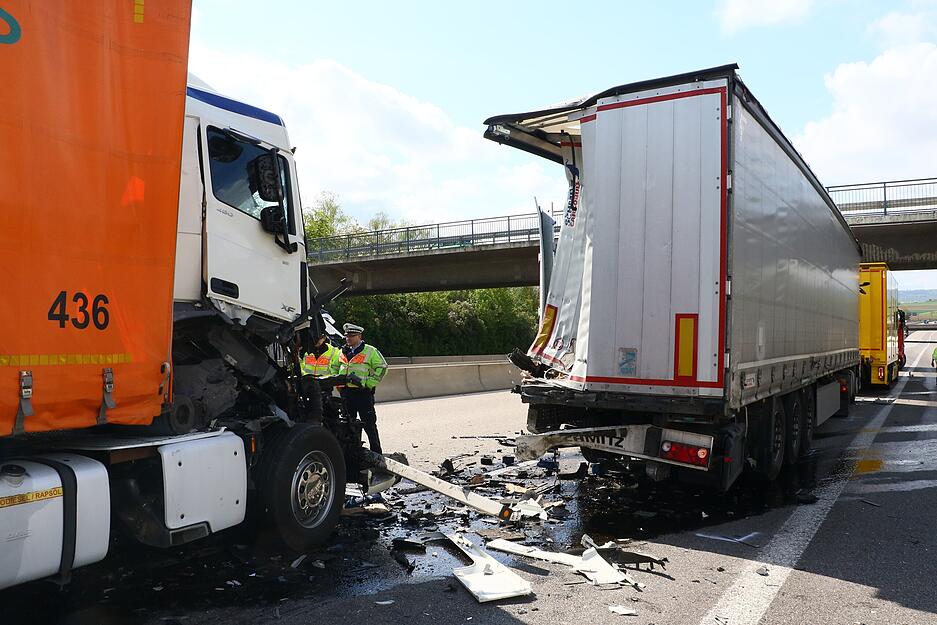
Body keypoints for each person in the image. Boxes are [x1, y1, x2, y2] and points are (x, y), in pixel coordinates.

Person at [331, 323, 388, 453]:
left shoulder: (370, 351)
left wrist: (369, 383)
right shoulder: (342, 351)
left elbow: (382, 367)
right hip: (346, 393)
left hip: (363, 394)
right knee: (348, 425)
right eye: (347, 336)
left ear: (359, 336)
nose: (348, 338)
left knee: (369, 424)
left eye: (351, 336)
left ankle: (376, 453)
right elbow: (334, 366)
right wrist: (338, 382)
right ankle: (354, 452)